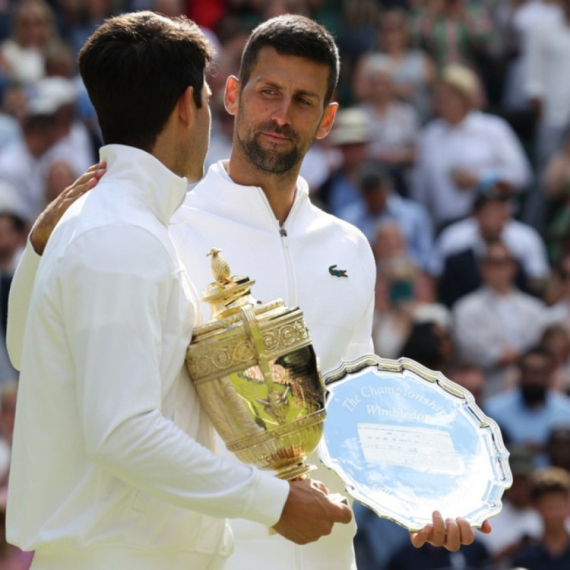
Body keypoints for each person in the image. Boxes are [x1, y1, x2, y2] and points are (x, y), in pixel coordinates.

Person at [13, 14, 490, 570]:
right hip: (204, 551)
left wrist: (429, 497)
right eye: (268, 93)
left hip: (326, 550)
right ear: (231, 96)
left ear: (328, 119)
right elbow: (38, 358)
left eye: (303, 101)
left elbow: (354, 407)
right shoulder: (159, 224)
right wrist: (39, 253)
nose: (281, 116)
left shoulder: (351, 247)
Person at [6, 12, 353, 570]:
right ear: (190, 105)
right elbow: (122, 432)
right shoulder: (125, 232)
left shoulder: (109, 221)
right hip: (121, 557)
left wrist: (37, 251)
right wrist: (274, 501)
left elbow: (24, 349)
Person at [452, 241, 546, 396]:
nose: (498, 269)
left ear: (513, 267)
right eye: (492, 263)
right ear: (482, 268)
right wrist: (506, 356)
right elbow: (470, 350)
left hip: (528, 389)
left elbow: (539, 344)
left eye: (503, 262)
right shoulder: (465, 308)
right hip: (483, 388)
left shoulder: (535, 308)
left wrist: (517, 357)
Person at [512, 466, 570, 569]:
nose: (556, 513)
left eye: (560, 505)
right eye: (550, 507)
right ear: (535, 507)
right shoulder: (524, 558)